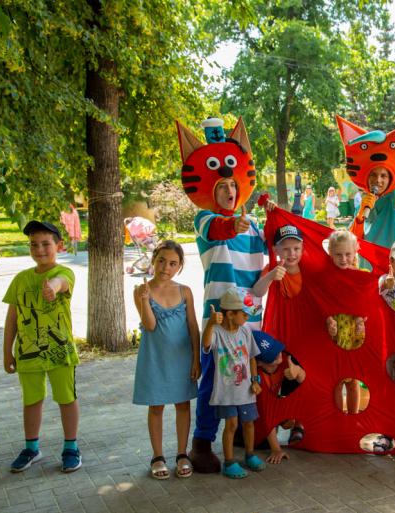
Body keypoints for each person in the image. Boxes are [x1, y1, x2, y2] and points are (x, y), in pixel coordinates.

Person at [176, 116, 273, 473]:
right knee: (215, 380)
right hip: (219, 318)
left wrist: (277, 219)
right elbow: (219, 229)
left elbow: (276, 246)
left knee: (246, 377)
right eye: (222, 187)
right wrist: (232, 223)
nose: (229, 191)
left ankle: (244, 436)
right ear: (210, 191)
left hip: (250, 317)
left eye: (233, 184)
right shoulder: (204, 219)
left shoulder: (254, 225)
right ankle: (202, 441)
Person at [2, 221, 81, 473]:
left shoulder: (65, 272)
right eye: (33, 245)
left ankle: (71, 448)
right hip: (27, 354)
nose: (39, 249)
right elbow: (12, 318)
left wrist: (52, 288)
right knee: (32, 401)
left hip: (60, 353)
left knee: (66, 399)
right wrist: (7, 352)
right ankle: (31, 448)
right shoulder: (20, 279)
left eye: (46, 244)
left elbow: (61, 282)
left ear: (59, 246)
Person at [132, 241, 201, 479]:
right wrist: (144, 300)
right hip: (154, 358)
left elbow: (193, 326)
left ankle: (182, 454)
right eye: (161, 261)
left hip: (182, 358)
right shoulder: (142, 290)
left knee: (183, 405)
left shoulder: (185, 291)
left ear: (180, 266)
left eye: (173, 263)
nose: (166, 267)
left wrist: (196, 359)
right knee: (156, 406)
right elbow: (150, 325)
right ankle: (158, 456)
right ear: (153, 260)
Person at [202, 287, 265, 479]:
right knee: (231, 425)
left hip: (246, 390)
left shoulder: (245, 331)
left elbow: (252, 357)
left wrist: (255, 380)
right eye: (244, 314)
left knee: (249, 423)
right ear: (230, 314)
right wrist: (210, 323)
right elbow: (206, 344)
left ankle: (250, 455)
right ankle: (229, 462)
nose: (247, 317)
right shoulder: (217, 332)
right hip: (226, 392)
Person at [336, 115, 395, 250]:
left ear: (390, 179)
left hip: (393, 262)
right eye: (373, 175)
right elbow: (353, 240)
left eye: (383, 176)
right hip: (368, 262)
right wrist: (360, 215)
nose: (378, 180)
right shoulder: (364, 203)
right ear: (367, 177)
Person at [325, 229, 366, 414]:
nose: (343, 259)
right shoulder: (327, 276)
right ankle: (338, 417)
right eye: (338, 255)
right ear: (331, 253)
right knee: (335, 379)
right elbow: (323, 301)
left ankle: (353, 416)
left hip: (353, 331)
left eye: (348, 254)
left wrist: (361, 318)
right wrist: (329, 319)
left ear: (355, 252)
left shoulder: (360, 275)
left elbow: (365, 302)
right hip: (335, 330)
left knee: (353, 380)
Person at [252, 331, 306, 464]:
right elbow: (264, 412)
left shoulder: (285, 359)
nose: (278, 354)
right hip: (257, 420)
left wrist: (298, 372)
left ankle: (297, 426)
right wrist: (276, 448)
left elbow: (307, 382)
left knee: (288, 421)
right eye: (271, 355)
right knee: (261, 442)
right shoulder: (258, 378)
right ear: (258, 363)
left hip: (274, 404)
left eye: (276, 349)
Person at [253, 225, 304, 299]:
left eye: (296, 248)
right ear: (275, 250)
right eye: (286, 249)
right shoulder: (272, 268)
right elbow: (257, 292)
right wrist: (270, 276)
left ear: (302, 249)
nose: (292, 253)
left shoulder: (308, 269)